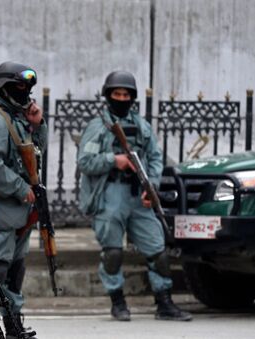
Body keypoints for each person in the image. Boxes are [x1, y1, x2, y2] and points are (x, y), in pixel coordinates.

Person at [77, 71, 192, 322]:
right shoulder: (98, 127)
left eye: (126, 94)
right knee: (113, 252)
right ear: (108, 96)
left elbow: (154, 158)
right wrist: (113, 160)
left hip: (138, 196)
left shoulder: (142, 126)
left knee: (157, 250)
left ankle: (165, 303)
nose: (121, 98)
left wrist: (151, 186)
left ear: (132, 97)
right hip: (109, 195)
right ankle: (118, 303)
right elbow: (85, 161)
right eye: (117, 94)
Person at [0, 61, 46, 338]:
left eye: (28, 87)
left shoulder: (14, 116)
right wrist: (20, 188)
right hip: (0, 212)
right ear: (4, 87)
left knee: (15, 272)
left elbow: (34, 155)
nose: (25, 91)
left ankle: (13, 326)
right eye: (19, 86)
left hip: (17, 214)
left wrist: (38, 125)